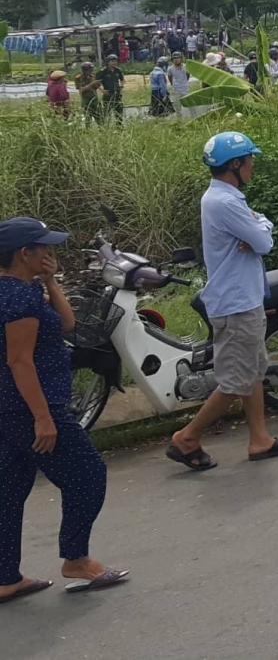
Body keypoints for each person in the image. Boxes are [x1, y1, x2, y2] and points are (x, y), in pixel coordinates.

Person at [0, 218, 128, 602]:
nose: (51, 253)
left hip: (9, 410)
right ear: (26, 254)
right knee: (88, 475)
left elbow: (68, 324)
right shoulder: (18, 299)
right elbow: (19, 361)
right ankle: (76, 559)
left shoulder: (22, 290)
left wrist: (52, 283)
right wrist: (43, 417)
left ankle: (6, 577)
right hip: (34, 407)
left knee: (9, 489)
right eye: (45, 248)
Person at [166, 134, 278, 471]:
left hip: (242, 298)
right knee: (235, 381)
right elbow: (265, 242)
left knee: (253, 372)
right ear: (235, 165)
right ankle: (187, 437)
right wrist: (260, 226)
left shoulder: (223, 197)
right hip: (236, 303)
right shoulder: (226, 203)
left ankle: (260, 439)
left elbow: (258, 233)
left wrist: (258, 226)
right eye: (249, 160)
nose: (253, 165)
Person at [97, 54, 125, 122]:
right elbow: (96, 81)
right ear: (108, 62)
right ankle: (106, 127)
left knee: (119, 113)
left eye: (115, 61)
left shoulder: (118, 70)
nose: (114, 63)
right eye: (112, 61)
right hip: (108, 94)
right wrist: (102, 90)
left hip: (117, 94)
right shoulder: (103, 71)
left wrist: (121, 86)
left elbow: (122, 79)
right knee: (107, 113)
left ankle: (120, 128)